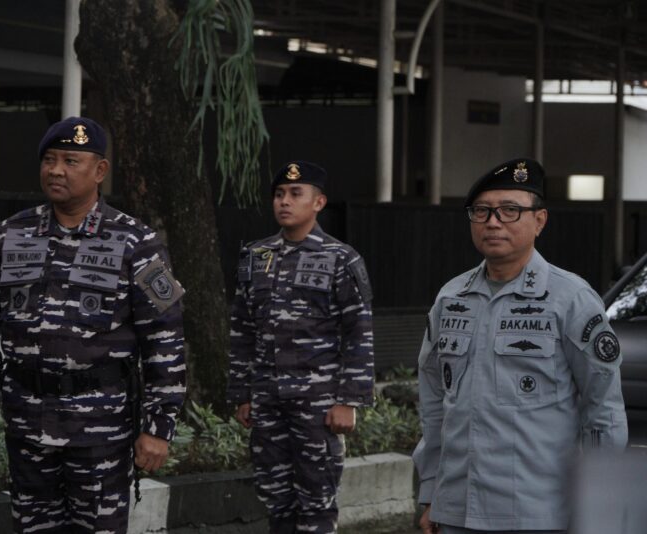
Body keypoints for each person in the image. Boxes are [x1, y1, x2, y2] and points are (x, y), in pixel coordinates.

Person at [0, 116, 186, 533]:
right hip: (27, 423)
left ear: (99, 171)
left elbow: (165, 338)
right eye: (49, 159)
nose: (56, 170)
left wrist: (158, 427)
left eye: (70, 160)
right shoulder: (11, 234)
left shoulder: (136, 242)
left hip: (100, 430)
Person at [414, 158, 628, 534]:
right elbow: (434, 407)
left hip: (539, 510)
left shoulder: (571, 298)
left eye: (509, 210)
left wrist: (600, 507)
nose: (493, 222)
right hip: (457, 509)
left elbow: (603, 410)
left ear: (539, 221)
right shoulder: (451, 298)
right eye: (481, 211)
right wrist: (432, 493)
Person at [228, 160, 375, 534]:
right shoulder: (256, 256)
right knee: (276, 499)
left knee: (316, 501)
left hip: (318, 404)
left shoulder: (340, 258)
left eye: (296, 194)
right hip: (268, 400)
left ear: (319, 202)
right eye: (279, 194)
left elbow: (358, 331)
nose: (284, 202)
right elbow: (243, 329)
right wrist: (242, 393)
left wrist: (348, 400)